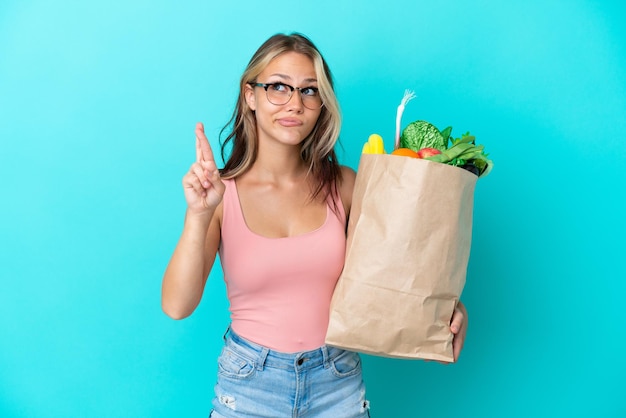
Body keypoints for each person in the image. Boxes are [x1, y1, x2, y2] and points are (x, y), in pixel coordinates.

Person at [162, 32, 468, 418]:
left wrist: (446, 313)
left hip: (336, 382)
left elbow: (398, 275)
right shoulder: (220, 194)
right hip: (250, 384)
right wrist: (198, 213)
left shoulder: (345, 184)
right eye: (278, 87)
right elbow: (176, 305)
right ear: (249, 96)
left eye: (309, 91)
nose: (294, 104)